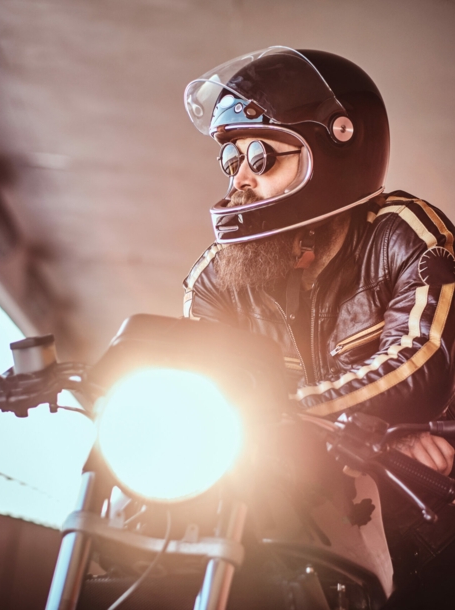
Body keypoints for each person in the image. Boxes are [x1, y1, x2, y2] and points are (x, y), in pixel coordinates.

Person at [182, 47, 455, 608]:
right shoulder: (217, 277)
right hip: (282, 502)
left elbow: (417, 361)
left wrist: (282, 412)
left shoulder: (405, 234)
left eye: (259, 155)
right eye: (230, 159)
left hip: (423, 505)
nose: (240, 179)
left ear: (333, 149)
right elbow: (199, 388)